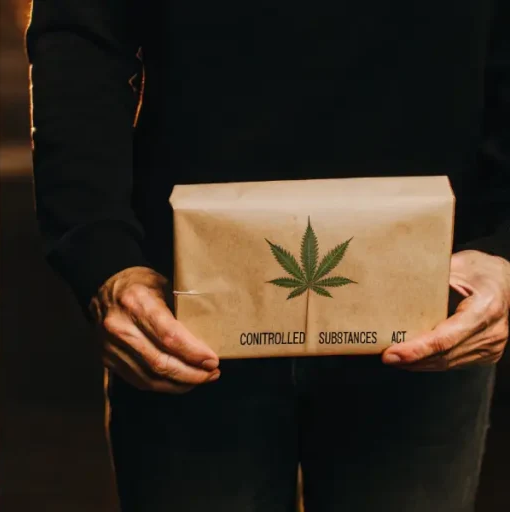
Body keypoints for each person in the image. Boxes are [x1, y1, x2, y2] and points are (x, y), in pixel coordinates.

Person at [27, 1, 510, 511]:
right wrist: (102, 255)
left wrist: (502, 246)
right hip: (187, 299)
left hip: (433, 293)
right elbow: (79, 36)